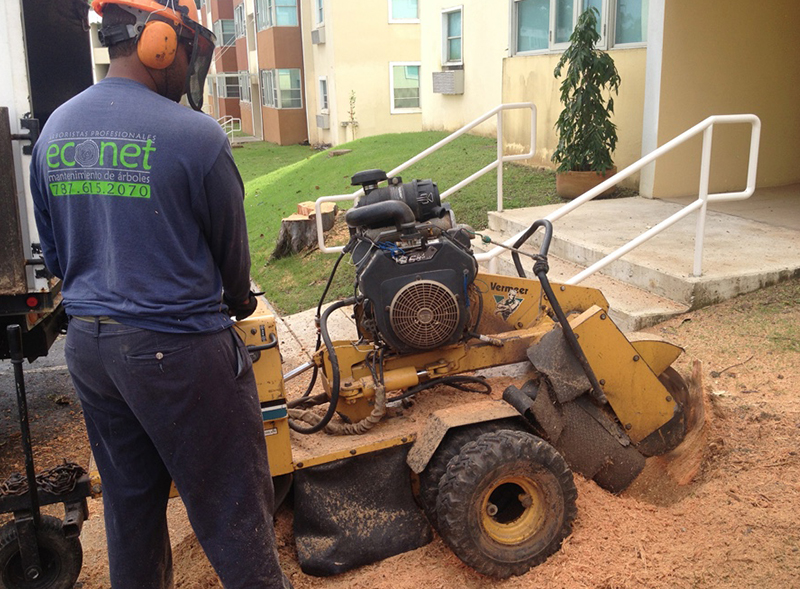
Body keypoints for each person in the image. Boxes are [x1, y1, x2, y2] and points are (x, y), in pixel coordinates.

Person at [29, 1, 290, 587]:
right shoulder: (196, 136)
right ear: (159, 44)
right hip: (178, 352)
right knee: (232, 508)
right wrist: (238, 301)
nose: (188, 66)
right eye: (187, 50)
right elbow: (232, 258)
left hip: (91, 351)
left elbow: (56, 256)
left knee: (130, 510)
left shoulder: (55, 131)